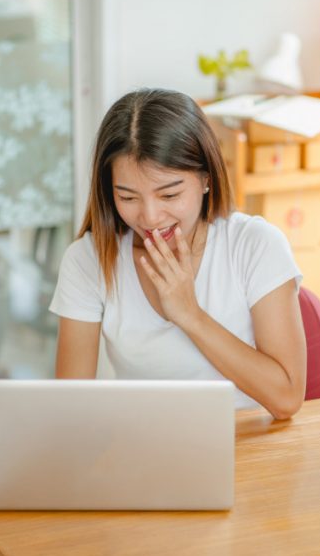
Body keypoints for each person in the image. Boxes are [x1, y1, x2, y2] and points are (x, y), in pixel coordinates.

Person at [49, 88, 306, 420]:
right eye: (128, 198)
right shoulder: (89, 260)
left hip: (246, 447)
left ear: (205, 179)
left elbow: (286, 399)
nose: (150, 217)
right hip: (145, 451)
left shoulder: (255, 244)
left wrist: (190, 315)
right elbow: (70, 411)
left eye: (169, 194)